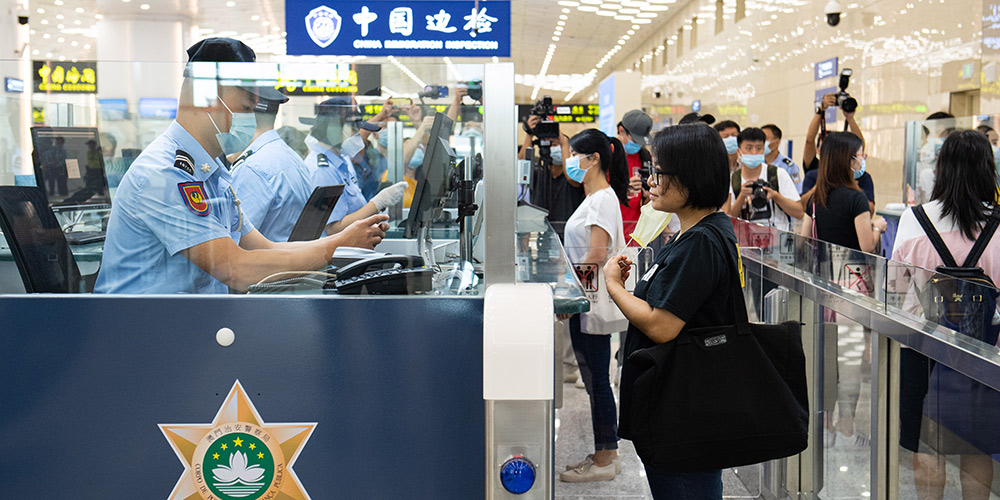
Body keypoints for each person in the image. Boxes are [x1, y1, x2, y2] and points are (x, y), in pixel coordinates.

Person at [95, 38, 388, 294]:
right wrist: (333, 248)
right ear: (207, 96)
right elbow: (235, 268)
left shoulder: (213, 176)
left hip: (186, 331)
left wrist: (343, 241)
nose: (250, 118)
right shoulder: (166, 173)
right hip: (141, 338)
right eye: (247, 108)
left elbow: (264, 248)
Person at [603, 123, 735, 499]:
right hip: (681, 408)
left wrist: (614, 286)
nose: (650, 182)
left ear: (691, 177)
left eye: (659, 173)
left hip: (684, 416)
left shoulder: (701, 242)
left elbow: (662, 326)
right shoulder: (695, 233)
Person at [892, 130, 1000, 500]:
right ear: (989, 169)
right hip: (984, 351)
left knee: (927, 443)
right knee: (977, 446)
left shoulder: (914, 219)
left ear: (941, 170)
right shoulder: (999, 224)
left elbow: (895, 285)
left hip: (922, 348)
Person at [558, 129, 630, 483]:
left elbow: (596, 255)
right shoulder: (596, 198)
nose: (570, 161)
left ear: (595, 158)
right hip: (587, 301)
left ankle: (605, 459)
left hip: (591, 305)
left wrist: (575, 298)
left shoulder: (602, 199)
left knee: (598, 382)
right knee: (595, 381)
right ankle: (607, 453)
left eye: (575, 154)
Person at [301, 97, 407, 236]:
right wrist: (378, 203)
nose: (358, 136)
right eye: (354, 129)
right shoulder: (322, 170)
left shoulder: (343, 161)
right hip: (337, 254)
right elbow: (334, 229)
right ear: (333, 128)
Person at [230, 94, 316, 242]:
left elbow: (235, 242)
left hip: (263, 263)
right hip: (292, 261)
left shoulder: (252, 168)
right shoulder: (291, 157)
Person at [724, 127, 803, 231]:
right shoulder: (733, 179)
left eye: (759, 148)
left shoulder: (778, 174)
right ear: (739, 152)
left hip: (779, 242)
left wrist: (775, 196)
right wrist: (742, 196)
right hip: (746, 244)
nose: (754, 152)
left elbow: (799, 213)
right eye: (749, 148)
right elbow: (728, 220)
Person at [617, 110, 654, 246]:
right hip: (612, 233)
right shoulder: (610, 155)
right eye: (634, 139)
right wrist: (623, 189)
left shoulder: (644, 156)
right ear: (622, 131)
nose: (638, 145)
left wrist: (647, 195)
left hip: (635, 235)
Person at [762, 124, 803, 193]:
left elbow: (797, 192)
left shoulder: (789, 166)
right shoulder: (758, 163)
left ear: (776, 142)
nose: (761, 142)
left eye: (765, 139)